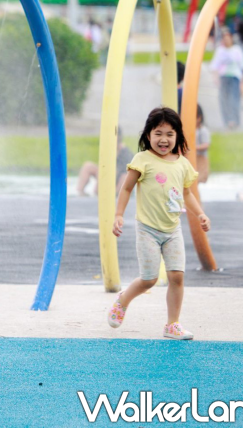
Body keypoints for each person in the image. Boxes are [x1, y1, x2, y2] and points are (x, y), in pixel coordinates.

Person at [108, 107, 210, 340]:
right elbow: (126, 188)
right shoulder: (142, 160)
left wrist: (200, 214)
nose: (164, 139)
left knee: (177, 277)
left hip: (173, 230)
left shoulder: (182, 163)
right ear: (148, 135)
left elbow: (187, 194)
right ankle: (123, 300)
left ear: (177, 137)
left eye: (170, 134)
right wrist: (118, 214)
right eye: (158, 133)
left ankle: (172, 324)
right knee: (149, 279)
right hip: (147, 229)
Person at [76, 128, 132, 196]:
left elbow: (126, 173)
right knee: (88, 166)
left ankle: (113, 195)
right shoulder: (109, 149)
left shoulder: (126, 153)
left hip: (118, 181)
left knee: (124, 176)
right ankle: (80, 192)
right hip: (107, 175)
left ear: (118, 137)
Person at [211, 30, 243, 129]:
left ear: (231, 39)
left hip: (234, 77)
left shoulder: (236, 50)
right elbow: (215, 65)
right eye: (225, 39)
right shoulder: (220, 50)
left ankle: (235, 120)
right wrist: (215, 78)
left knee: (234, 99)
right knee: (223, 100)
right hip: (223, 77)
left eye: (228, 38)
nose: (226, 41)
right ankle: (227, 120)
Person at [195, 105, 210, 184]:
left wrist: (194, 147)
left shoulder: (202, 130)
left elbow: (206, 145)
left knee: (197, 181)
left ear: (199, 118)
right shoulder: (191, 129)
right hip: (192, 159)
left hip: (200, 159)